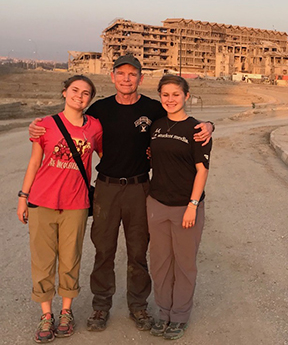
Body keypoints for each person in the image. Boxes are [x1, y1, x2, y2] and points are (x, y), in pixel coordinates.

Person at [28, 54, 214, 332]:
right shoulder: (100, 109)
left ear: (140, 78)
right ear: (112, 77)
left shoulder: (154, 108)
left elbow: (183, 120)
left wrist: (210, 126)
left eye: (133, 74)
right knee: (104, 250)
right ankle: (101, 306)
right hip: (106, 188)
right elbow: (72, 121)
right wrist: (38, 125)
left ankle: (138, 306)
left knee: (138, 251)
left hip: (140, 188)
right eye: (121, 73)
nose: (127, 79)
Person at [18, 75, 102, 343]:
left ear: (90, 99)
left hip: (76, 204)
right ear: (64, 92)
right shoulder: (45, 125)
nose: (80, 96)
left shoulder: (95, 127)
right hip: (42, 201)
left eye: (86, 93)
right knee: (42, 260)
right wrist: (23, 196)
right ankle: (46, 314)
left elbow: (110, 155)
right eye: (75, 90)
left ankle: (66, 312)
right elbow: (34, 162)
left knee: (70, 258)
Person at [146, 75, 211, 340]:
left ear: (186, 95)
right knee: (160, 263)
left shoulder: (197, 129)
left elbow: (202, 171)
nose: (170, 99)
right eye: (165, 94)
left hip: (186, 206)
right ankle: (163, 312)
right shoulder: (156, 126)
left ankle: (180, 316)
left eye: (175, 94)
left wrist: (192, 206)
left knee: (184, 264)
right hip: (157, 204)